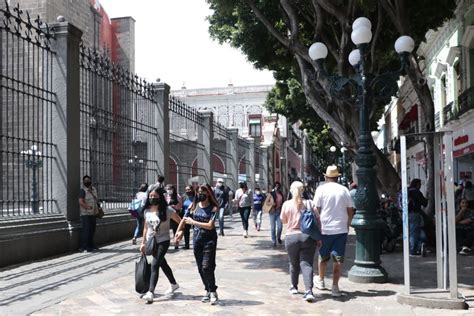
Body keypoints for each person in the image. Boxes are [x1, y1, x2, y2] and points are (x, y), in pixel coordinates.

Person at [313, 165, 353, 297]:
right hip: (340, 229)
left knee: (323, 257)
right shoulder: (344, 190)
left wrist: (316, 226)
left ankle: (321, 280)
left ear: (325, 176)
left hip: (325, 229)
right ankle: (335, 287)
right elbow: (350, 210)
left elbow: (316, 210)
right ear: (337, 177)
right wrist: (347, 224)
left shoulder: (321, 189)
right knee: (338, 260)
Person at [176, 184, 220, 305]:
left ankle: (212, 291)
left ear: (208, 194)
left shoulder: (213, 208)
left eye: (203, 192)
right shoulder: (193, 206)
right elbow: (184, 219)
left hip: (209, 240)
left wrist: (193, 222)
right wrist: (178, 231)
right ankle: (208, 290)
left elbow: (210, 225)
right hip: (197, 240)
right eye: (198, 192)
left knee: (207, 266)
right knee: (201, 268)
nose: (200, 194)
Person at [140, 187, 182, 304]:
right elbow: (145, 228)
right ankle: (174, 284)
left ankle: (151, 292)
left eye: (155, 196)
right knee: (162, 262)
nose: (152, 198)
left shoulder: (167, 210)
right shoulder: (146, 210)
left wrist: (179, 232)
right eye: (151, 196)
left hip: (163, 240)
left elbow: (181, 221)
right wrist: (143, 242)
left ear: (160, 197)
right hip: (150, 241)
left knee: (155, 264)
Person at [281, 181, 321, 302]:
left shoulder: (287, 204)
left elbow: (283, 220)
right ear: (303, 190)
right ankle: (309, 291)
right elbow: (318, 221)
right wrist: (319, 238)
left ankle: (294, 286)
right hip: (308, 237)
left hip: (291, 237)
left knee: (293, 263)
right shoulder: (310, 203)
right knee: (307, 263)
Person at [78, 175, 100, 252]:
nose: (87, 182)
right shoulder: (82, 191)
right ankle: (83, 247)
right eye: (85, 181)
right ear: (83, 182)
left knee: (92, 230)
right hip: (86, 214)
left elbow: (96, 199)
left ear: (91, 181)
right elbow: (80, 201)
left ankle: (91, 245)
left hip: (93, 213)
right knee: (86, 230)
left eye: (88, 180)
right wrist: (87, 207)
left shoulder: (94, 189)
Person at [408, 178, 428, 256]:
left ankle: (419, 246)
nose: (420, 186)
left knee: (413, 230)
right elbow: (424, 203)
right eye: (419, 184)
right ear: (417, 184)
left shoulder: (407, 191)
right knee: (414, 231)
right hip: (415, 213)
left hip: (406, 214)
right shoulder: (416, 192)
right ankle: (413, 250)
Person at [165, 184, 182, 249]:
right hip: (167, 215)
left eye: (170, 189)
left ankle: (176, 242)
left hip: (175, 214)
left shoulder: (177, 196)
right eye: (167, 189)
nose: (169, 190)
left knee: (175, 229)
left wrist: (173, 206)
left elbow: (180, 205)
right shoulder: (166, 196)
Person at [270, 182, 285, 246]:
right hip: (272, 212)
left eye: (278, 186)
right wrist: (272, 204)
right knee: (273, 228)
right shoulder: (271, 193)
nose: (277, 187)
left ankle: (278, 237)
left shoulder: (281, 194)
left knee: (280, 227)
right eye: (276, 186)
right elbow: (266, 202)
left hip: (279, 212)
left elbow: (283, 202)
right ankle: (273, 240)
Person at [181, 185, 195, 249]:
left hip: (194, 215)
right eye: (186, 190)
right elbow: (183, 206)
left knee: (195, 230)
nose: (187, 191)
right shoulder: (184, 197)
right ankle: (187, 244)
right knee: (186, 230)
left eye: (189, 189)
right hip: (186, 215)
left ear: (192, 190)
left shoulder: (195, 198)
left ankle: (196, 243)